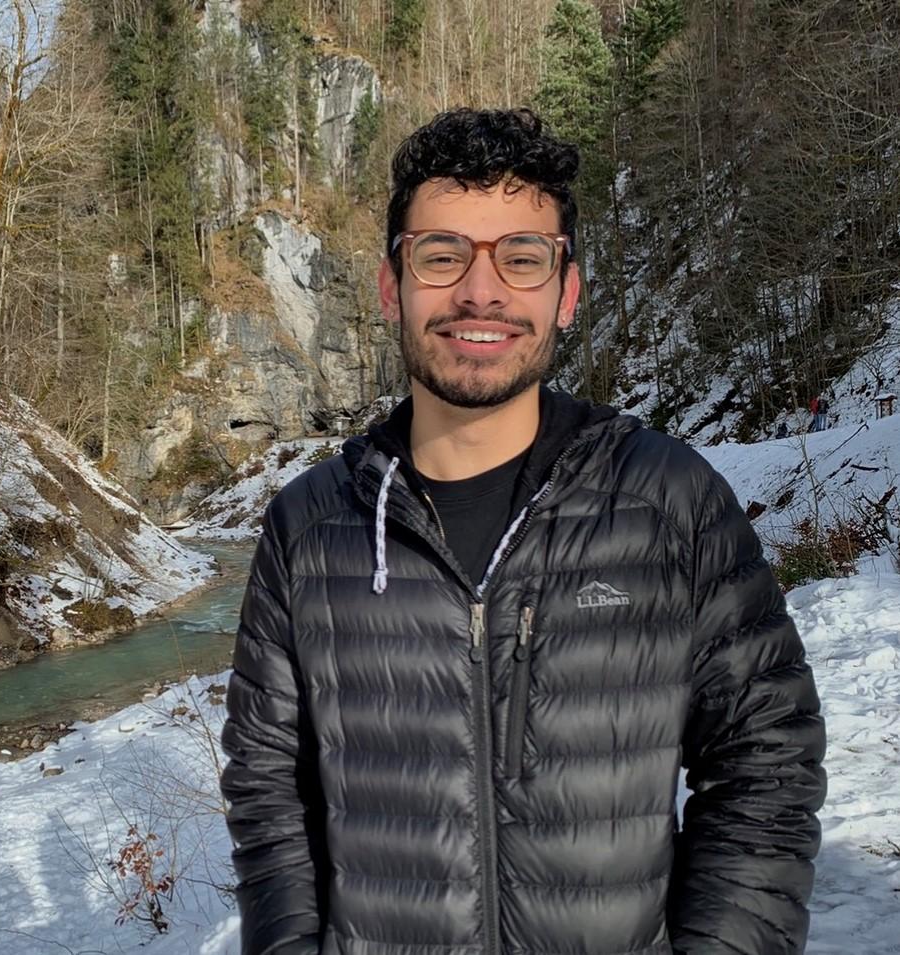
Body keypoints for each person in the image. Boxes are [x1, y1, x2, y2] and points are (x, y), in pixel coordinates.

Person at [221, 108, 826, 955]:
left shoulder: (668, 502)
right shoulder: (309, 528)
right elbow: (268, 792)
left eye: (521, 256)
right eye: (441, 255)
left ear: (566, 290)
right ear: (392, 285)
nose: (481, 291)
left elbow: (768, 760)